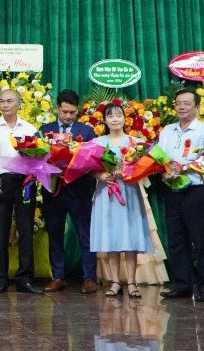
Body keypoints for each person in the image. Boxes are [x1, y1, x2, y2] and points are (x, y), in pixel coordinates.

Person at [156, 88, 204, 302]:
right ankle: (182, 285)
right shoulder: (167, 130)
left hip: (196, 190)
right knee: (176, 239)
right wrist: (164, 172)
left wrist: (184, 168)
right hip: (172, 190)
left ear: (198, 107)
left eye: (187, 103)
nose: (181, 107)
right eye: (178, 103)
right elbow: (159, 157)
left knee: (201, 240)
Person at [89, 103, 152, 300]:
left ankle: (132, 282)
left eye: (118, 115)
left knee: (129, 236)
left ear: (125, 119)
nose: (115, 119)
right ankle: (115, 281)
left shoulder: (136, 142)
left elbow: (144, 167)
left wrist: (128, 171)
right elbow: (89, 166)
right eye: (110, 116)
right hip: (106, 191)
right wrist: (99, 175)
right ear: (105, 120)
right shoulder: (97, 142)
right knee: (112, 236)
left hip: (129, 191)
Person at [39, 89, 98, 294]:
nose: (68, 116)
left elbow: (93, 162)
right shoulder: (44, 130)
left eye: (72, 113)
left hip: (79, 190)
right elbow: (37, 159)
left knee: (85, 234)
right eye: (64, 112)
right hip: (53, 189)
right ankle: (58, 276)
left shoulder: (87, 131)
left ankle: (89, 278)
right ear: (57, 108)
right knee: (55, 233)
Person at [0, 89, 43, 294]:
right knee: (0, 230)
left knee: (26, 230)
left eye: (10, 101)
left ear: (19, 104)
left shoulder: (29, 128)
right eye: (2, 101)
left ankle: (25, 278)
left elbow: (38, 157)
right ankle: (0, 279)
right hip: (2, 180)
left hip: (25, 181)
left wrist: (35, 174)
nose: (5, 105)